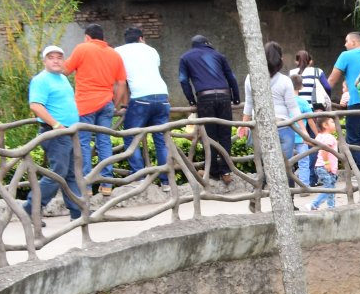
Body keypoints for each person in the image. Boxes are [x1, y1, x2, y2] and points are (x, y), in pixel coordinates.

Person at [63, 23, 129, 190]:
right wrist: (114, 103)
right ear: (103, 38)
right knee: (104, 141)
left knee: (83, 143)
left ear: (87, 37)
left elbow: (65, 70)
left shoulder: (82, 48)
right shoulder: (115, 54)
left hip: (85, 104)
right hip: (106, 103)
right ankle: (107, 183)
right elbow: (121, 83)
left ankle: (86, 184)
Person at [24, 44, 83, 219]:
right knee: (58, 173)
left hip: (69, 132)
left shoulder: (62, 78)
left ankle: (77, 210)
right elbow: (35, 105)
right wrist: (56, 125)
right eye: (51, 57)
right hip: (55, 133)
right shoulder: (41, 80)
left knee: (71, 172)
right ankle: (31, 208)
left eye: (59, 57)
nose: (56, 61)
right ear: (44, 61)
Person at [177, 34, 241, 179]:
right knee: (225, 135)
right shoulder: (218, 55)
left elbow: (183, 80)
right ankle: (226, 171)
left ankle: (212, 171)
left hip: (204, 97)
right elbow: (231, 77)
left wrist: (191, 100)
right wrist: (236, 97)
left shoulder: (185, 57)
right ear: (207, 43)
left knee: (210, 136)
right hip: (224, 96)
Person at [241, 42, 302, 186]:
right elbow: (293, 107)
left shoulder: (251, 77)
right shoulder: (285, 80)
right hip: (283, 126)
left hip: (261, 128)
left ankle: (257, 195)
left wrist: (243, 125)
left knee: (264, 164)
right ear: (280, 59)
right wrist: (303, 130)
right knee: (286, 165)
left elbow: (249, 104)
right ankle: (290, 201)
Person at [114, 27, 171, 180]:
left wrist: (120, 104)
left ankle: (138, 177)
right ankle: (166, 181)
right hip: (162, 96)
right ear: (141, 38)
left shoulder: (118, 51)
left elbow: (122, 81)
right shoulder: (152, 50)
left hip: (140, 98)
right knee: (160, 139)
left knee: (130, 136)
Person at [324, 31, 360, 175]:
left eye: (346, 41)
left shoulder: (345, 56)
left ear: (353, 42)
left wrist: (323, 97)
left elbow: (332, 81)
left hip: (356, 104)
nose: (345, 44)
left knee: (353, 140)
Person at [308, 114, 339, 210]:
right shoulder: (329, 137)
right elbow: (324, 150)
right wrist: (327, 163)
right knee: (329, 187)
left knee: (330, 187)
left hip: (320, 166)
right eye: (332, 122)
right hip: (325, 166)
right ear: (325, 125)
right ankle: (318, 204)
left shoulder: (320, 136)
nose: (334, 124)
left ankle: (327, 205)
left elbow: (314, 144)